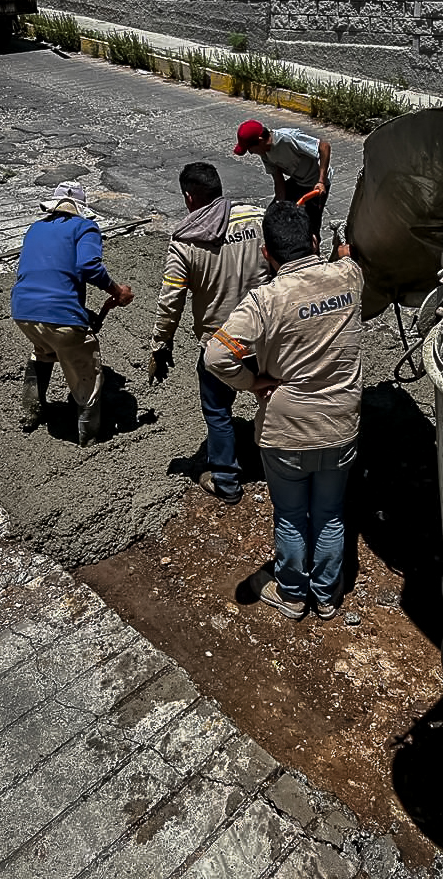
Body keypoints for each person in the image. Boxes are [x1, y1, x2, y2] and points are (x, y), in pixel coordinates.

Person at [205, 200, 363, 620]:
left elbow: (217, 356)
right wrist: (342, 245)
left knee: (292, 517)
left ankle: (293, 595)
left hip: (285, 432)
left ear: (265, 254)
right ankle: (327, 598)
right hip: (341, 428)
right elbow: (347, 257)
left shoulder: (265, 301)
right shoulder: (350, 278)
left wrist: (253, 383)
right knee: (330, 516)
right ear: (313, 241)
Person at [149, 161, 270, 505]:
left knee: (218, 411)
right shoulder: (256, 219)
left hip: (221, 346)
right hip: (264, 337)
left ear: (189, 197)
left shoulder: (185, 241)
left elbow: (170, 301)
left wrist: (160, 344)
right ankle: (283, 465)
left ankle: (227, 481)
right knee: (271, 396)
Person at [11, 181, 134, 446]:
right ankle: (88, 436)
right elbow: (89, 265)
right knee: (87, 374)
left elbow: (46, 274)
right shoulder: (85, 227)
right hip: (60, 314)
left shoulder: (36, 228)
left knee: (44, 350)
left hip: (23, 312)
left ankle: (30, 412)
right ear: (80, 208)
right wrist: (117, 290)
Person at [233, 119, 332, 241]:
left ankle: (314, 254)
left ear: (260, 140)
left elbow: (324, 147)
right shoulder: (264, 153)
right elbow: (278, 179)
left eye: (250, 149)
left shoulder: (287, 138)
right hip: (298, 180)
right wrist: (280, 204)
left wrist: (321, 181)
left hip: (316, 183)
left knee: (309, 227)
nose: (251, 153)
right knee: (272, 215)